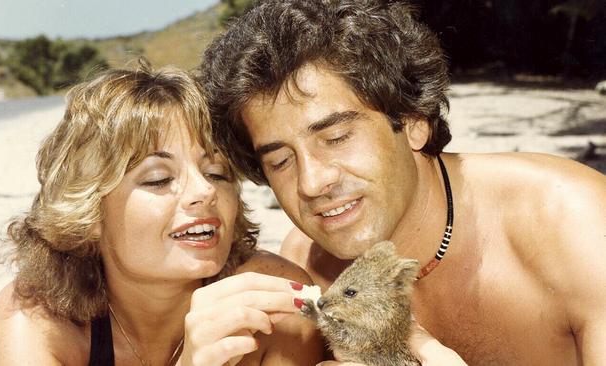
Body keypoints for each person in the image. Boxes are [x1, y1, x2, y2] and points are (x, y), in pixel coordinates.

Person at [198, 0, 606, 365]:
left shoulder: (572, 224)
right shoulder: (305, 265)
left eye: (337, 138)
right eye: (281, 160)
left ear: (413, 122)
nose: (312, 181)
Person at [0, 60, 323, 366]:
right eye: (158, 179)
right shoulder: (34, 321)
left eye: (217, 173)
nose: (205, 191)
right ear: (88, 213)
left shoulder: (274, 302)